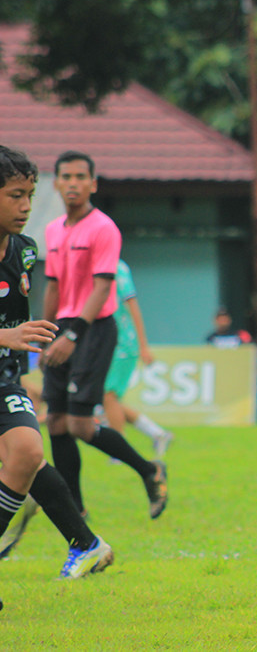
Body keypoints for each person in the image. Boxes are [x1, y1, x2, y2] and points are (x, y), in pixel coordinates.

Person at [0, 146, 115, 611]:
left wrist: (33, 345)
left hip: (5, 378)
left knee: (27, 450)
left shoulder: (25, 250)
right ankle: (86, 541)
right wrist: (7, 336)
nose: (26, 206)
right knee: (26, 457)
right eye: (14, 196)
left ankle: (86, 543)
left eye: (29, 195)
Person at [41, 151, 167, 520]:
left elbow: (102, 288)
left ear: (93, 184)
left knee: (80, 424)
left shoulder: (104, 228)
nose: (73, 183)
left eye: (81, 176)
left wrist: (73, 335)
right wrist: (45, 333)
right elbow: (52, 288)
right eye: (66, 176)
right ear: (57, 183)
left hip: (94, 329)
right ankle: (75, 510)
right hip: (63, 328)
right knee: (56, 422)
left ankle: (149, 469)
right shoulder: (51, 230)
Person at [101, 259, 174, 457]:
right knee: (107, 398)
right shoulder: (93, 263)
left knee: (109, 395)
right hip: (105, 342)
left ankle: (118, 452)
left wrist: (143, 345)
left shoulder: (118, 268)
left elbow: (133, 306)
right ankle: (157, 434)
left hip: (123, 343)